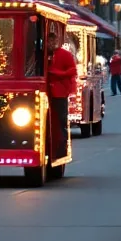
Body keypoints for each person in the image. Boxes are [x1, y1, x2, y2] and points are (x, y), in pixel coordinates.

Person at [45, 31, 77, 164]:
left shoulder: (65, 54)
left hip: (60, 92)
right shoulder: (42, 54)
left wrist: (58, 73)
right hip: (47, 92)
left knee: (61, 120)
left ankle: (61, 147)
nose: (51, 44)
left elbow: (72, 71)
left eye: (53, 41)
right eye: (49, 41)